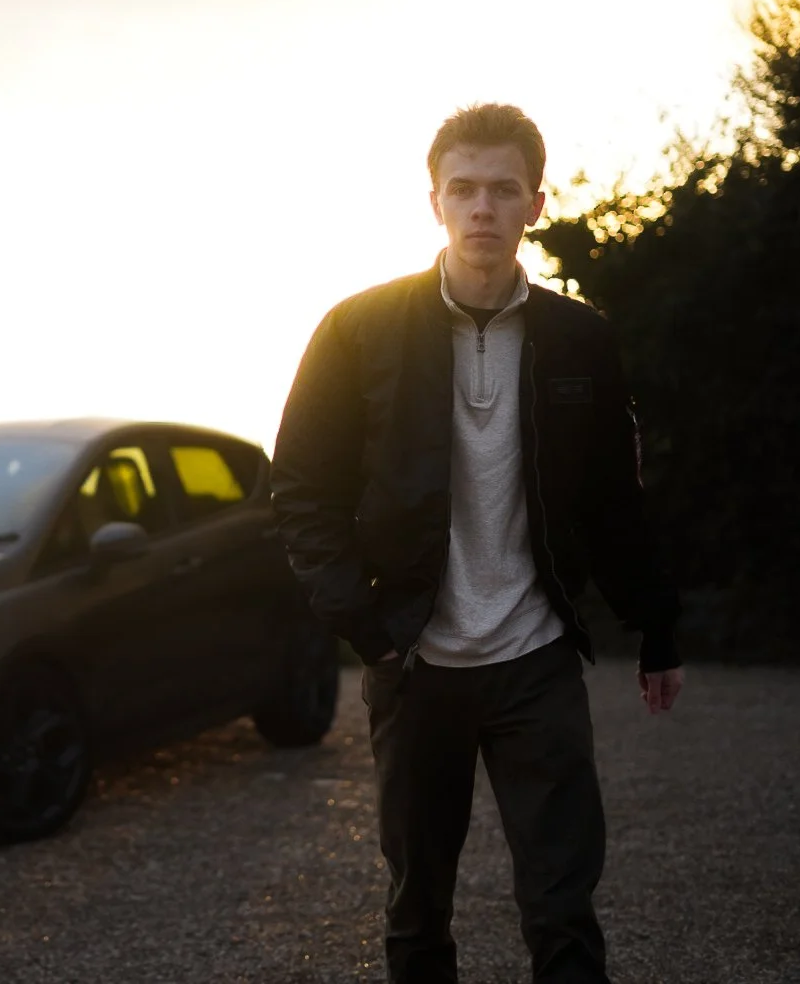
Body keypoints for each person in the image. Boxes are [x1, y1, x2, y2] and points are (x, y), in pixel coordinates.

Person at [271, 102, 685, 984]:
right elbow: (303, 486)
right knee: (418, 907)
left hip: (535, 657)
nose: (483, 208)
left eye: (504, 190)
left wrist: (658, 625)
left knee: (563, 904)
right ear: (434, 202)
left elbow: (614, 498)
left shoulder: (581, 338)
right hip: (415, 658)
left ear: (537, 201)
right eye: (464, 190)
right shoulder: (359, 329)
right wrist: (363, 621)